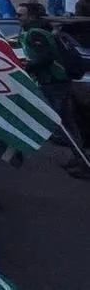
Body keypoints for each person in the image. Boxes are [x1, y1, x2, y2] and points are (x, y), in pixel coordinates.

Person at [20, 17, 89, 179]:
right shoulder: (46, 32)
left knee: (59, 123)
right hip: (59, 81)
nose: (19, 17)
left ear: (31, 15)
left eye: (21, 14)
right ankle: (80, 156)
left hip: (53, 82)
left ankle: (83, 161)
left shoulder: (36, 34)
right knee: (67, 122)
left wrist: (26, 67)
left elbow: (46, 58)